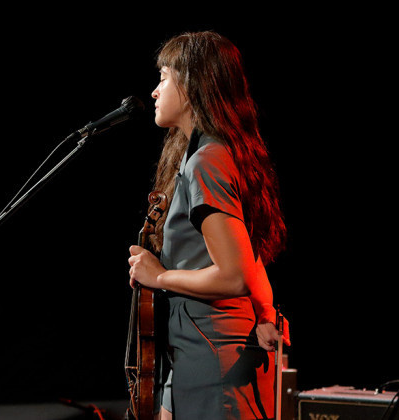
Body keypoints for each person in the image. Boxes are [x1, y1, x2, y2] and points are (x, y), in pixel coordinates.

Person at [127, 31, 290, 420]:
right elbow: (246, 252)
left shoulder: (207, 161)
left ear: (190, 85)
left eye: (164, 77)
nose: (154, 91)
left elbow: (233, 275)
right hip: (193, 348)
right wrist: (266, 312)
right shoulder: (202, 153)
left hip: (213, 354)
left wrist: (159, 276)